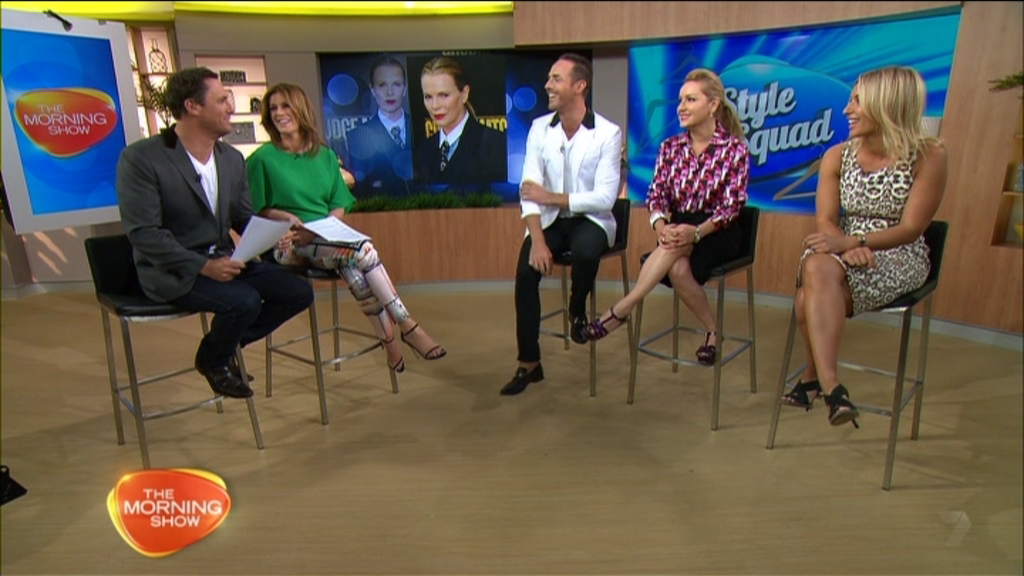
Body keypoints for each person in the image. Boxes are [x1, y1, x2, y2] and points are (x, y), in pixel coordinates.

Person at [116, 67, 314, 399]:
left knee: (298, 292)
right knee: (244, 302)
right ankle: (216, 360)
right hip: (173, 269)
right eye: (222, 100)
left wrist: (273, 232)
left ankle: (220, 347)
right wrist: (203, 266)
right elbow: (145, 234)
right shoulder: (142, 159)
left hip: (224, 259)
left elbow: (242, 217)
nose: (231, 107)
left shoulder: (231, 159)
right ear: (192, 106)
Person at [780, 65, 947, 427]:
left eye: (857, 101)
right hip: (838, 247)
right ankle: (833, 388)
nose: (847, 110)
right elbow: (825, 219)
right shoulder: (836, 156)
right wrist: (843, 246)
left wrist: (855, 241)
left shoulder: (929, 155)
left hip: (897, 253)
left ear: (887, 104)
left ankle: (814, 377)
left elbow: (912, 228)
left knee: (807, 298)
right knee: (816, 264)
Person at [247, 82, 446, 373]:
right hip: (287, 244)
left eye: (286, 105)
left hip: (325, 240)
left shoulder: (325, 156)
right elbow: (255, 208)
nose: (279, 113)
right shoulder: (262, 159)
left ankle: (390, 344)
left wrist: (322, 230)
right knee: (364, 251)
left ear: (301, 109)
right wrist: (284, 217)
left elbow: (338, 204)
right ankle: (407, 325)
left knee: (353, 267)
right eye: (273, 108)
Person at [581, 69, 749, 370]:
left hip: (718, 230)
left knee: (675, 249)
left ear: (713, 105)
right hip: (677, 227)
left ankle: (622, 308)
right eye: (680, 100)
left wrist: (695, 233)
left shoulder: (735, 150)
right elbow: (656, 195)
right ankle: (713, 331)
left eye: (691, 100)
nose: (681, 107)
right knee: (678, 267)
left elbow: (731, 207)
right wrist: (661, 227)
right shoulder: (670, 148)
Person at [499, 53, 622, 396]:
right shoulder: (540, 128)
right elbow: (528, 190)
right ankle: (529, 363)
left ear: (580, 86)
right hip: (549, 223)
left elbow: (604, 199)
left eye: (556, 79)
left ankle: (577, 309)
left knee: (585, 251)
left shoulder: (607, 133)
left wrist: (551, 197)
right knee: (525, 274)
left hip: (591, 220)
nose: (547, 85)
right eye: (549, 78)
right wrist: (538, 241)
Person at [414, 56, 507, 187]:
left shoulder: (495, 144)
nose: (435, 106)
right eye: (428, 97)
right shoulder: (423, 150)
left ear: (464, 93)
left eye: (443, 95)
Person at [343, 55, 413, 198]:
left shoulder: (423, 130)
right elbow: (361, 192)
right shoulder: (358, 136)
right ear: (373, 90)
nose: (390, 92)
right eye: (382, 85)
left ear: (404, 89)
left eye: (396, 84)